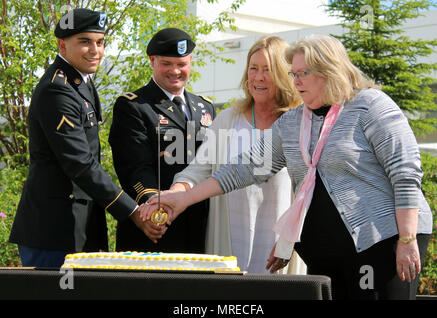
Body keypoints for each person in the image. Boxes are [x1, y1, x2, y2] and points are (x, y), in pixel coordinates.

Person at [147, 34, 433, 300]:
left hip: (382, 243)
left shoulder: (370, 105)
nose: (295, 81)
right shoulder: (294, 121)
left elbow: (405, 172)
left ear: (328, 70)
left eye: (301, 73)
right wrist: (183, 198)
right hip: (327, 254)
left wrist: (407, 238)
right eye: (293, 74)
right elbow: (243, 169)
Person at [9, 8, 148, 268]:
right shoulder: (57, 90)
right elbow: (80, 163)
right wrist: (132, 211)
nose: (95, 50)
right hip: (54, 231)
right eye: (84, 42)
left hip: (76, 226)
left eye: (100, 42)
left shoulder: (80, 81)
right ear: (63, 45)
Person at [160, 36, 304, 274]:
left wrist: (289, 240)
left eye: (267, 70)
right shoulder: (228, 120)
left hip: (279, 247)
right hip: (230, 245)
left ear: (283, 74)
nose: (258, 77)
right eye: (253, 68)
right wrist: (175, 196)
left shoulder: (299, 123)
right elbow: (198, 169)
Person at [109, 27, 216, 253]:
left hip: (199, 226)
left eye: (181, 64)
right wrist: (156, 204)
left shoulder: (205, 107)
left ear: (190, 62)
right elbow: (134, 167)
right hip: (154, 224)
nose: (175, 71)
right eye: (167, 63)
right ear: (152, 61)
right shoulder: (134, 106)